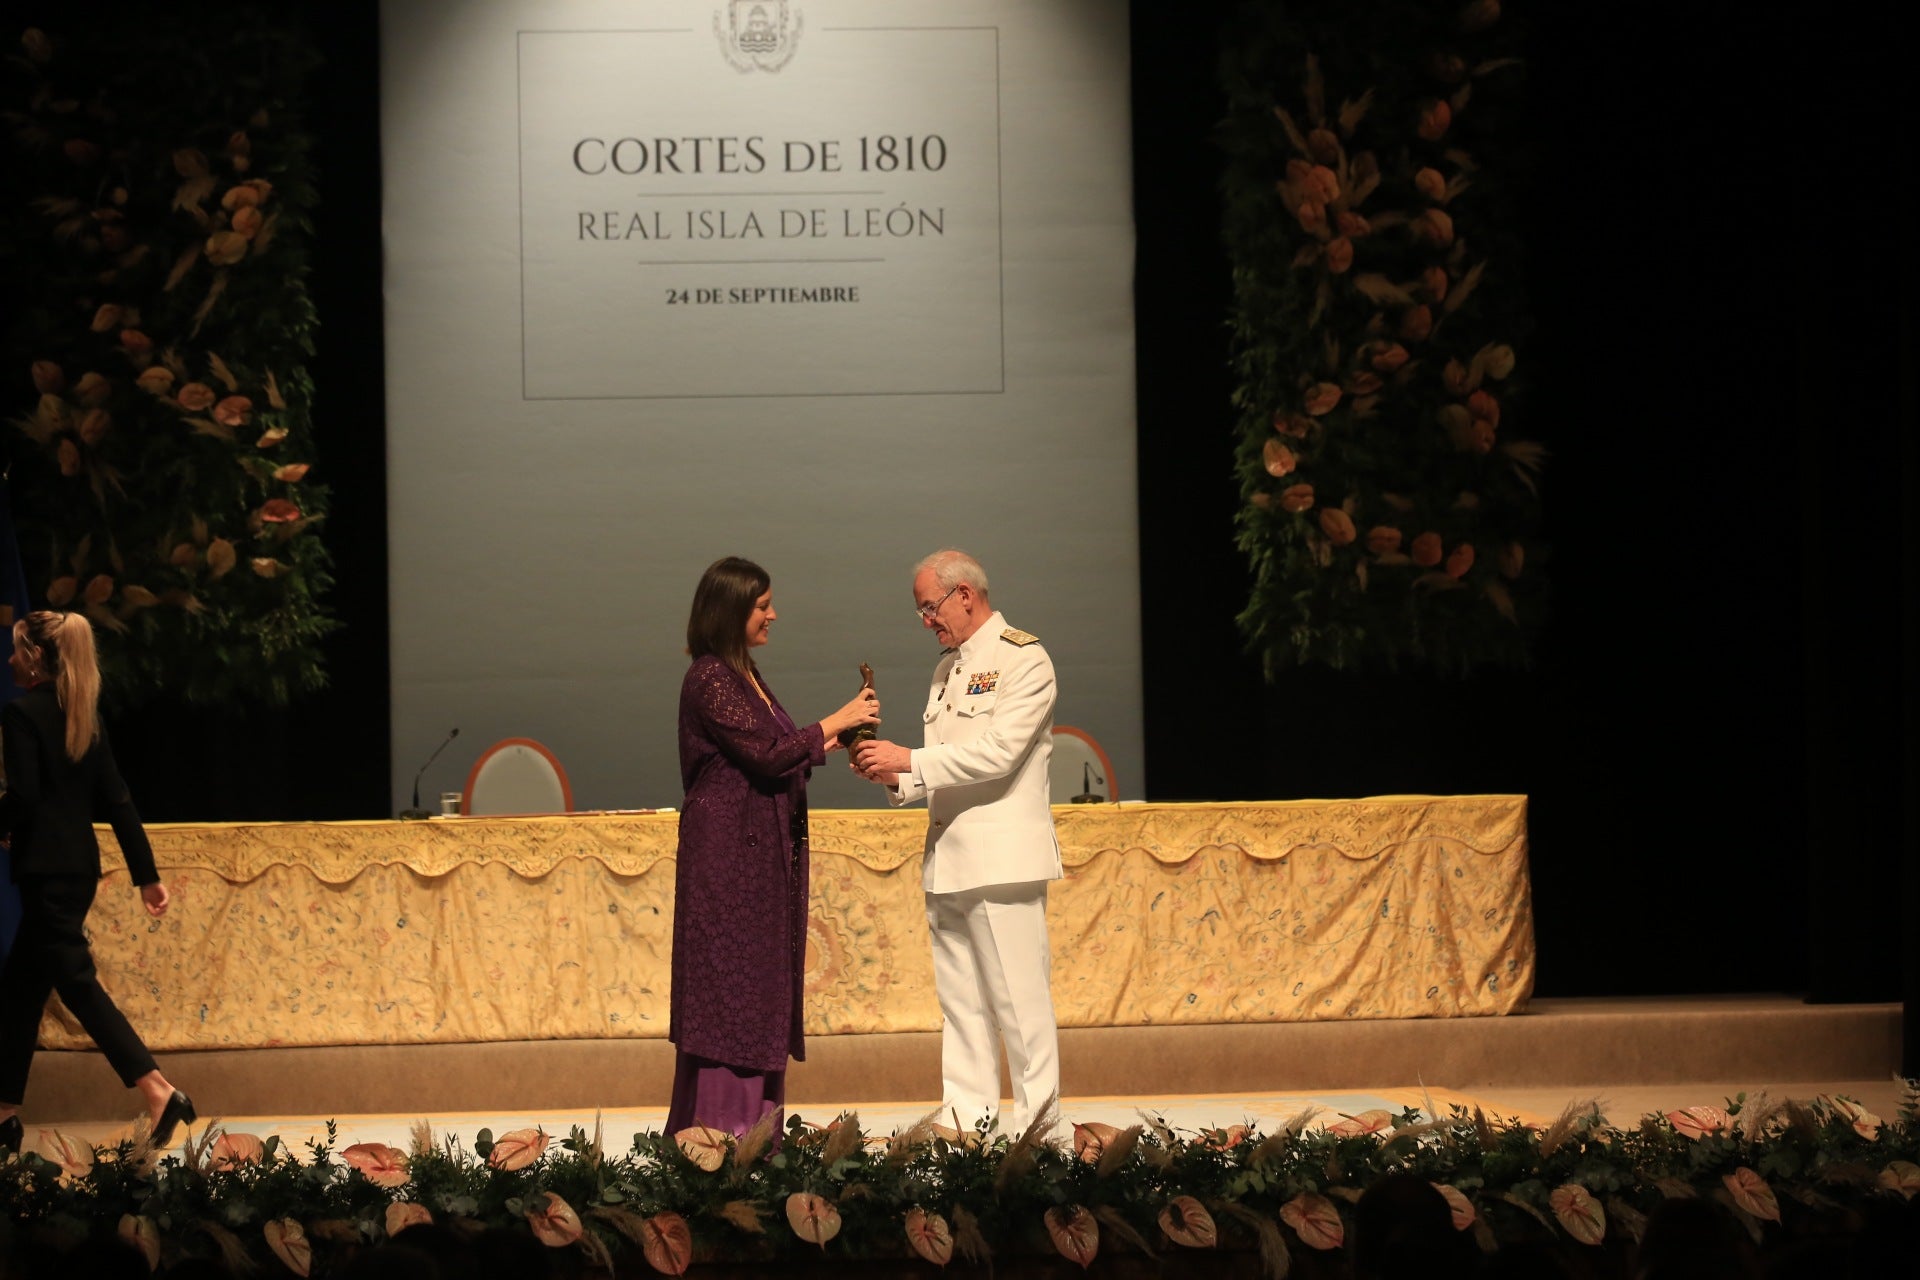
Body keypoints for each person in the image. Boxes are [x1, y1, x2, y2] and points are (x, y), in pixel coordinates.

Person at [852, 549, 1062, 1137]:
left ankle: (1040, 1134)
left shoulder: (1026, 659)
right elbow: (945, 769)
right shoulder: (946, 670)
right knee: (962, 1006)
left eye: (930, 606)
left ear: (965, 594)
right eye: (921, 610)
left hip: (1000, 861)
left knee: (1019, 1006)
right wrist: (892, 774)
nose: (926, 620)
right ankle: (966, 1122)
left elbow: (999, 753)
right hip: (948, 858)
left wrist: (911, 760)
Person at [667, 556, 880, 1136]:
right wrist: (838, 717)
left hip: (754, 860)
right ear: (731, 610)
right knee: (730, 989)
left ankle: (754, 1136)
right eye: (762, 606)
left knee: (755, 985)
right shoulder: (710, 676)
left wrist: (827, 740)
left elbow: (773, 746)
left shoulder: (745, 676)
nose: (773, 615)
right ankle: (719, 1135)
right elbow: (765, 754)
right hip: (729, 863)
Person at [0, 610, 194, 1151]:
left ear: (35, 658)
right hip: (76, 871)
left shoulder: (20, 714)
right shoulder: (82, 716)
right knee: (18, 992)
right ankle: (3, 1114)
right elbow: (119, 801)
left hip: (45, 872)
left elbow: (24, 797)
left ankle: (158, 1090)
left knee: (77, 984)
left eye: (17, 650)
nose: (10, 658)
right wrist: (146, 877)